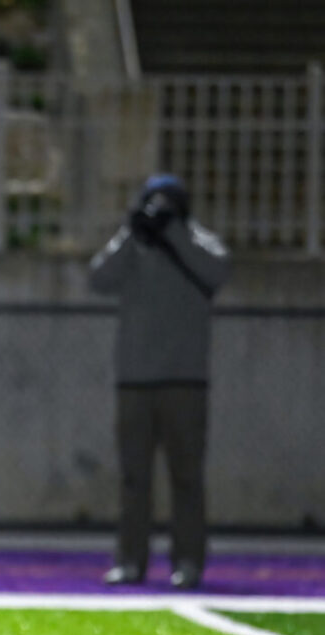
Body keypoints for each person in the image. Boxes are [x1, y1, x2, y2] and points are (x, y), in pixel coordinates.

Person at [89, 174, 231, 590]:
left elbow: (217, 271)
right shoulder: (134, 243)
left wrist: (174, 234)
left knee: (187, 478)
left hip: (185, 381)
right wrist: (132, 233)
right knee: (134, 479)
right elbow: (99, 278)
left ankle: (188, 562)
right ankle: (131, 561)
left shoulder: (200, 241)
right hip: (135, 380)